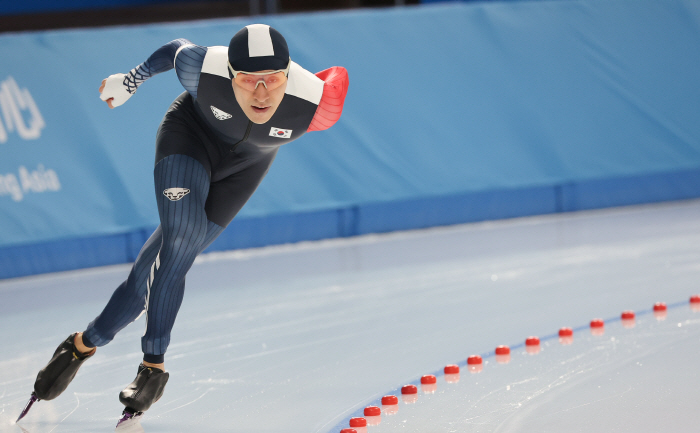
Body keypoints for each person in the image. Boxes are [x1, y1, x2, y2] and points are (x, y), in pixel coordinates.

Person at [17, 23, 348, 425]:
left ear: (287, 74)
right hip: (188, 139)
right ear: (229, 74)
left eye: (272, 81)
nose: (261, 94)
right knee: (181, 238)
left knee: (150, 278)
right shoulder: (203, 67)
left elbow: (334, 79)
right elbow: (175, 49)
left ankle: (81, 345)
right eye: (247, 80)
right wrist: (131, 80)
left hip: (248, 166)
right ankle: (152, 367)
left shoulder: (317, 104)